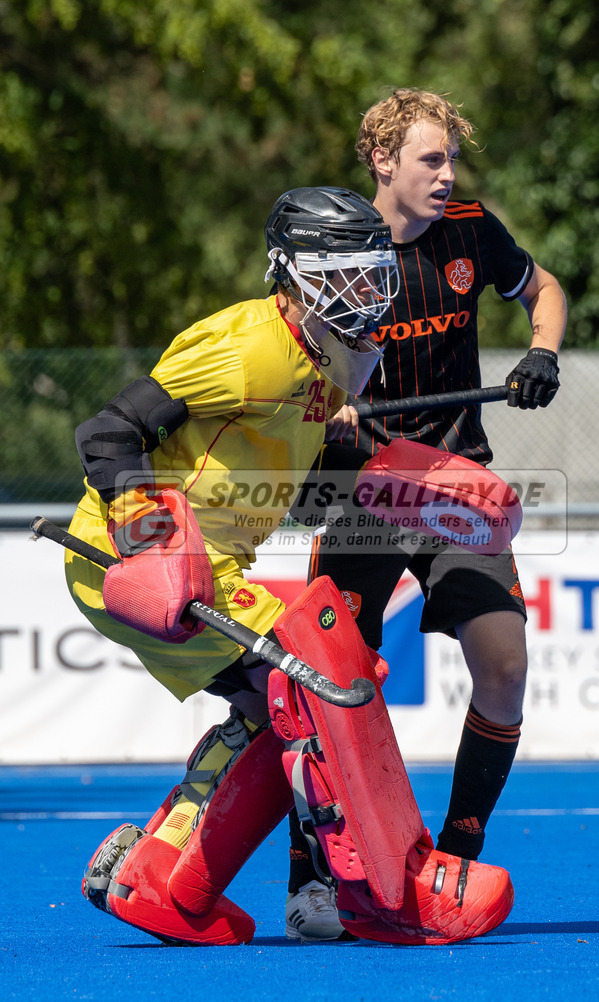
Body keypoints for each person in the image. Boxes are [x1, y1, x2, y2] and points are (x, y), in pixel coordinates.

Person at [64, 185, 399, 945]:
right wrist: (145, 539)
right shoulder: (247, 346)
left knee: (273, 703)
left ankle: (154, 862)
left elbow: (300, 487)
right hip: (133, 564)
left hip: (216, 571)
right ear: (293, 273)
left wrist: (394, 476)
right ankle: (357, 891)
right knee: (317, 691)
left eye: (371, 270)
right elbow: (109, 433)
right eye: (345, 270)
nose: (366, 289)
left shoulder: (328, 366)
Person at [284, 88, 568, 941]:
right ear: (381, 162)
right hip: (363, 490)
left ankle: (455, 848)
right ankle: (312, 875)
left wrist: (541, 351)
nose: (446, 175)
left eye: (450, 160)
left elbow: (541, 286)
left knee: (504, 663)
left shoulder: (472, 232)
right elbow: (292, 366)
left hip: (453, 485)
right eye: (428, 160)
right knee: (322, 688)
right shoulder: (334, 249)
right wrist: (324, 407)